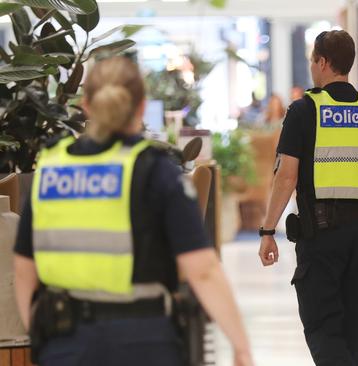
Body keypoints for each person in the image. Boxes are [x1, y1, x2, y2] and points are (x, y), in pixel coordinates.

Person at [13, 57, 253, 366]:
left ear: (86, 105)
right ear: (140, 108)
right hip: (143, 341)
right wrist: (241, 346)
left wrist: (43, 340)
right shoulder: (155, 171)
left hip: (66, 341)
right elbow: (203, 270)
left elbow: (23, 271)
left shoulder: (51, 169)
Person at [257, 30, 358, 366]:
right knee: (351, 336)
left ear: (324, 62)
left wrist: (267, 230)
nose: (312, 66)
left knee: (323, 330)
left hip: (321, 236)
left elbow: (286, 176)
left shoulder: (304, 111)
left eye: (313, 60)